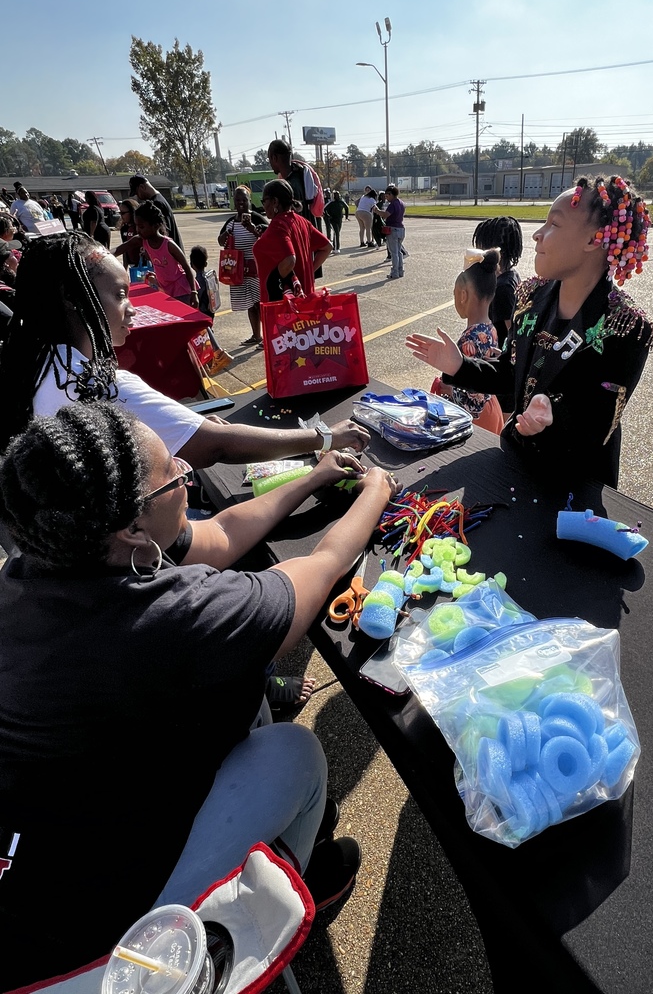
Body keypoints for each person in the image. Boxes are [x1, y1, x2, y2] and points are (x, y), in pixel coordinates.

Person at [0, 400, 397, 987]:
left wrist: (314, 476)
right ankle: (270, 906)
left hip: (35, 874)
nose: (187, 473)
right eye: (173, 474)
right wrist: (377, 491)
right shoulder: (179, 616)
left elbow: (223, 532)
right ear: (133, 528)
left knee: (242, 698)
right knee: (294, 753)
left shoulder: (39, 565)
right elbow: (324, 566)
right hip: (90, 958)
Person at [0, 233, 368, 465]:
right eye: (120, 294)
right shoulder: (106, 388)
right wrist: (326, 437)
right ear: (72, 298)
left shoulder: (38, 365)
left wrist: (185, 424)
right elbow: (219, 446)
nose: (132, 308)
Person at [406, 176, 653, 488]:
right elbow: (511, 372)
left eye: (554, 224)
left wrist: (552, 414)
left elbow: (599, 425)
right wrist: (460, 366)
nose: (537, 234)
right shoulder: (531, 297)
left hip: (573, 485)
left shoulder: (626, 326)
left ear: (594, 239)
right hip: (516, 459)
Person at [434, 248, 504, 435]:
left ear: (463, 295)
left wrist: (448, 389)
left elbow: (473, 402)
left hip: (479, 419)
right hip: (492, 406)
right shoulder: (490, 328)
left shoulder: (468, 340)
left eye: (455, 293)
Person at [254, 179, 332, 302]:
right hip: (305, 297)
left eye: (264, 201)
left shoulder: (278, 225)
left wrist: (274, 281)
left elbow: (290, 260)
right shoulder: (302, 222)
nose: (263, 205)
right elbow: (327, 247)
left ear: (275, 202)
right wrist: (308, 272)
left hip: (285, 303)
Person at [115, 202, 198, 308]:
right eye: (136, 226)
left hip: (181, 289)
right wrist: (102, 254)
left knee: (182, 315)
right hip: (164, 288)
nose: (138, 230)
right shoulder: (141, 240)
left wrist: (194, 292)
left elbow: (186, 267)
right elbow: (119, 249)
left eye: (141, 227)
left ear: (155, 226)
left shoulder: (169, 244)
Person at [217, 185, 268, 347]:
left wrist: (253, 229)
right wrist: (226, 234)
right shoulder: (231, 222)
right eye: (237, 200)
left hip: (256, 268)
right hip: (238, 269)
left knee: (260, 303)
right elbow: (220, 241)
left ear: (249, 200)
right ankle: (256, 336)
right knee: (250, 304)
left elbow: (269, 236)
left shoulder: (257, 218)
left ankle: (268, 337)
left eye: (244, 200)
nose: (241, 203)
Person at [471, 215, 523, 348]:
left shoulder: (502, 288)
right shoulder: (511, 274)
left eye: (481, 246)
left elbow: (512, 333)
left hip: (496, 352)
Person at [189, 244, 234, 375]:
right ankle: (213, 359)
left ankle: (216, 357)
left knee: (204, 339)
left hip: (202, 311)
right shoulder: (209, 276)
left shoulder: (198, 281)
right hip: (210, 310)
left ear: (191, 264)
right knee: (209, 334)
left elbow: (198, 296)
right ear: (206, 263)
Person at [267, 139, 325, 227]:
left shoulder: (289, 187)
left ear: (274, 158)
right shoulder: (301, 174)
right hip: (309, 230)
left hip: (300, 232)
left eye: (269, 159)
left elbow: (293, 220)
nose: (270, 163)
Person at [129, 174, 184, 251]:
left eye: (137, 193)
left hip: (167, 253)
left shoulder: (156, 204)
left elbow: (163, 233)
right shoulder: (160, 199)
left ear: (142, 187)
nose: (137, 196)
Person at [373, 184, 406, 278]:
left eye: (387, 196)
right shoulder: (401, 203)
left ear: (391, 194)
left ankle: (395, 272)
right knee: (399, 252)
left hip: (393, 229)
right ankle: (400, 270)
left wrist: (377, 211)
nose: (386, 198)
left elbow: (385, 215)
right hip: (401, 228)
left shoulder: (393, 204)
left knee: (394, 253)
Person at [118, 197, 141, 267]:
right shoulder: (124, 229)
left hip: (143, 264)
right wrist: (124, 268)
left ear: (132, 212)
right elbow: (125, 250)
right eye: (120, 213)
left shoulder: (140, 227)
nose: (121, 216)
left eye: (123, 213)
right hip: (132, 264)